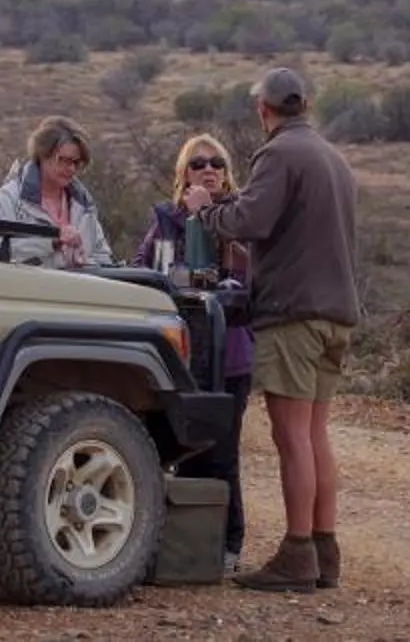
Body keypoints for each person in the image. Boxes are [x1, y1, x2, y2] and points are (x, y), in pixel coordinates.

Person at [185, 67, 360, 593]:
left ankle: (297, 554)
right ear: (304, 104)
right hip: (336, 314)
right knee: (315, 435)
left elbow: (251, 221)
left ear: (264, 110)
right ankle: (324, 549)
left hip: (294, 315)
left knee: (291, 437)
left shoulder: (281, 154)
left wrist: (207, 209)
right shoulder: (334, 157)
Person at [135, 134, 258, 571]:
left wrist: (210, 220)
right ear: (182, 175)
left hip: (229, 355)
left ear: (227, 174)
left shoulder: (241, 221)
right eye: (198, 164)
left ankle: (228, 546)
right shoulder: (166, 221)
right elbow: (142, 269)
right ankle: (182, 546)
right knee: (175, 448)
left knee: (222, 452)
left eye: (217, 164)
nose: (209, 170)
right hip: (176, 355)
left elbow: (250, 281)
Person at [0, 117, 114, 269]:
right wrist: (50, 242)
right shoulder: (8, 200)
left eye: (77, 163)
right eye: (64, 160)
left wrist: (85, 264)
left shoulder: (84, 206)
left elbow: (102, 257)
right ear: (43, 154)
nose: (71, 169)